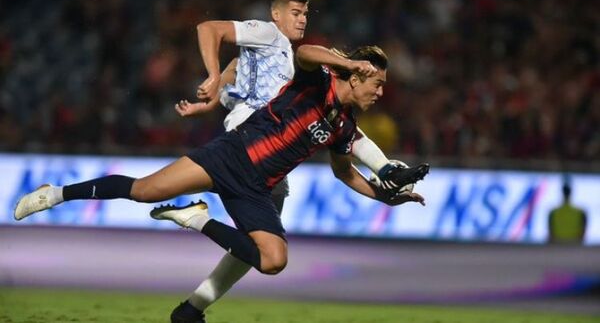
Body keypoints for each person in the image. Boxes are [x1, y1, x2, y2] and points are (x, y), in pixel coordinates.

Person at [14, 43, 429, 320]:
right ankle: (55, 194)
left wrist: (385, 198)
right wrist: (344, 62)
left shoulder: (343, 125)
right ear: (355, 76)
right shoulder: (316, 82)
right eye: (376, 82)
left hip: (255, 188)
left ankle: (196, 219)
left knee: (274, 260)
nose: (380, 92)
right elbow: (304, 52)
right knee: (143, 191)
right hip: (228, 157)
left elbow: (344, 173)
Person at [165, 0, 422, 322]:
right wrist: (214, 83)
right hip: (255, 138)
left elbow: (235, 66)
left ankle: (192, 308)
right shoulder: (278, 41)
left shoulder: (281, 53)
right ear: (278, 14)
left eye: (304, 15)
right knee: (264, 248)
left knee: (256, 245)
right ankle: (195, 234)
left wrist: (213, 96)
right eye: (297, 14)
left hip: (267, 144)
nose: (302, 20)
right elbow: (222, 36)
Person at [548, 179, 587, 244]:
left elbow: (550, 235)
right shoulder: (581, 212)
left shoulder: (553, 212)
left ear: (561, 193)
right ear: (571, 193)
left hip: (557, 247)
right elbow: (583, 234)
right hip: (575, 247)